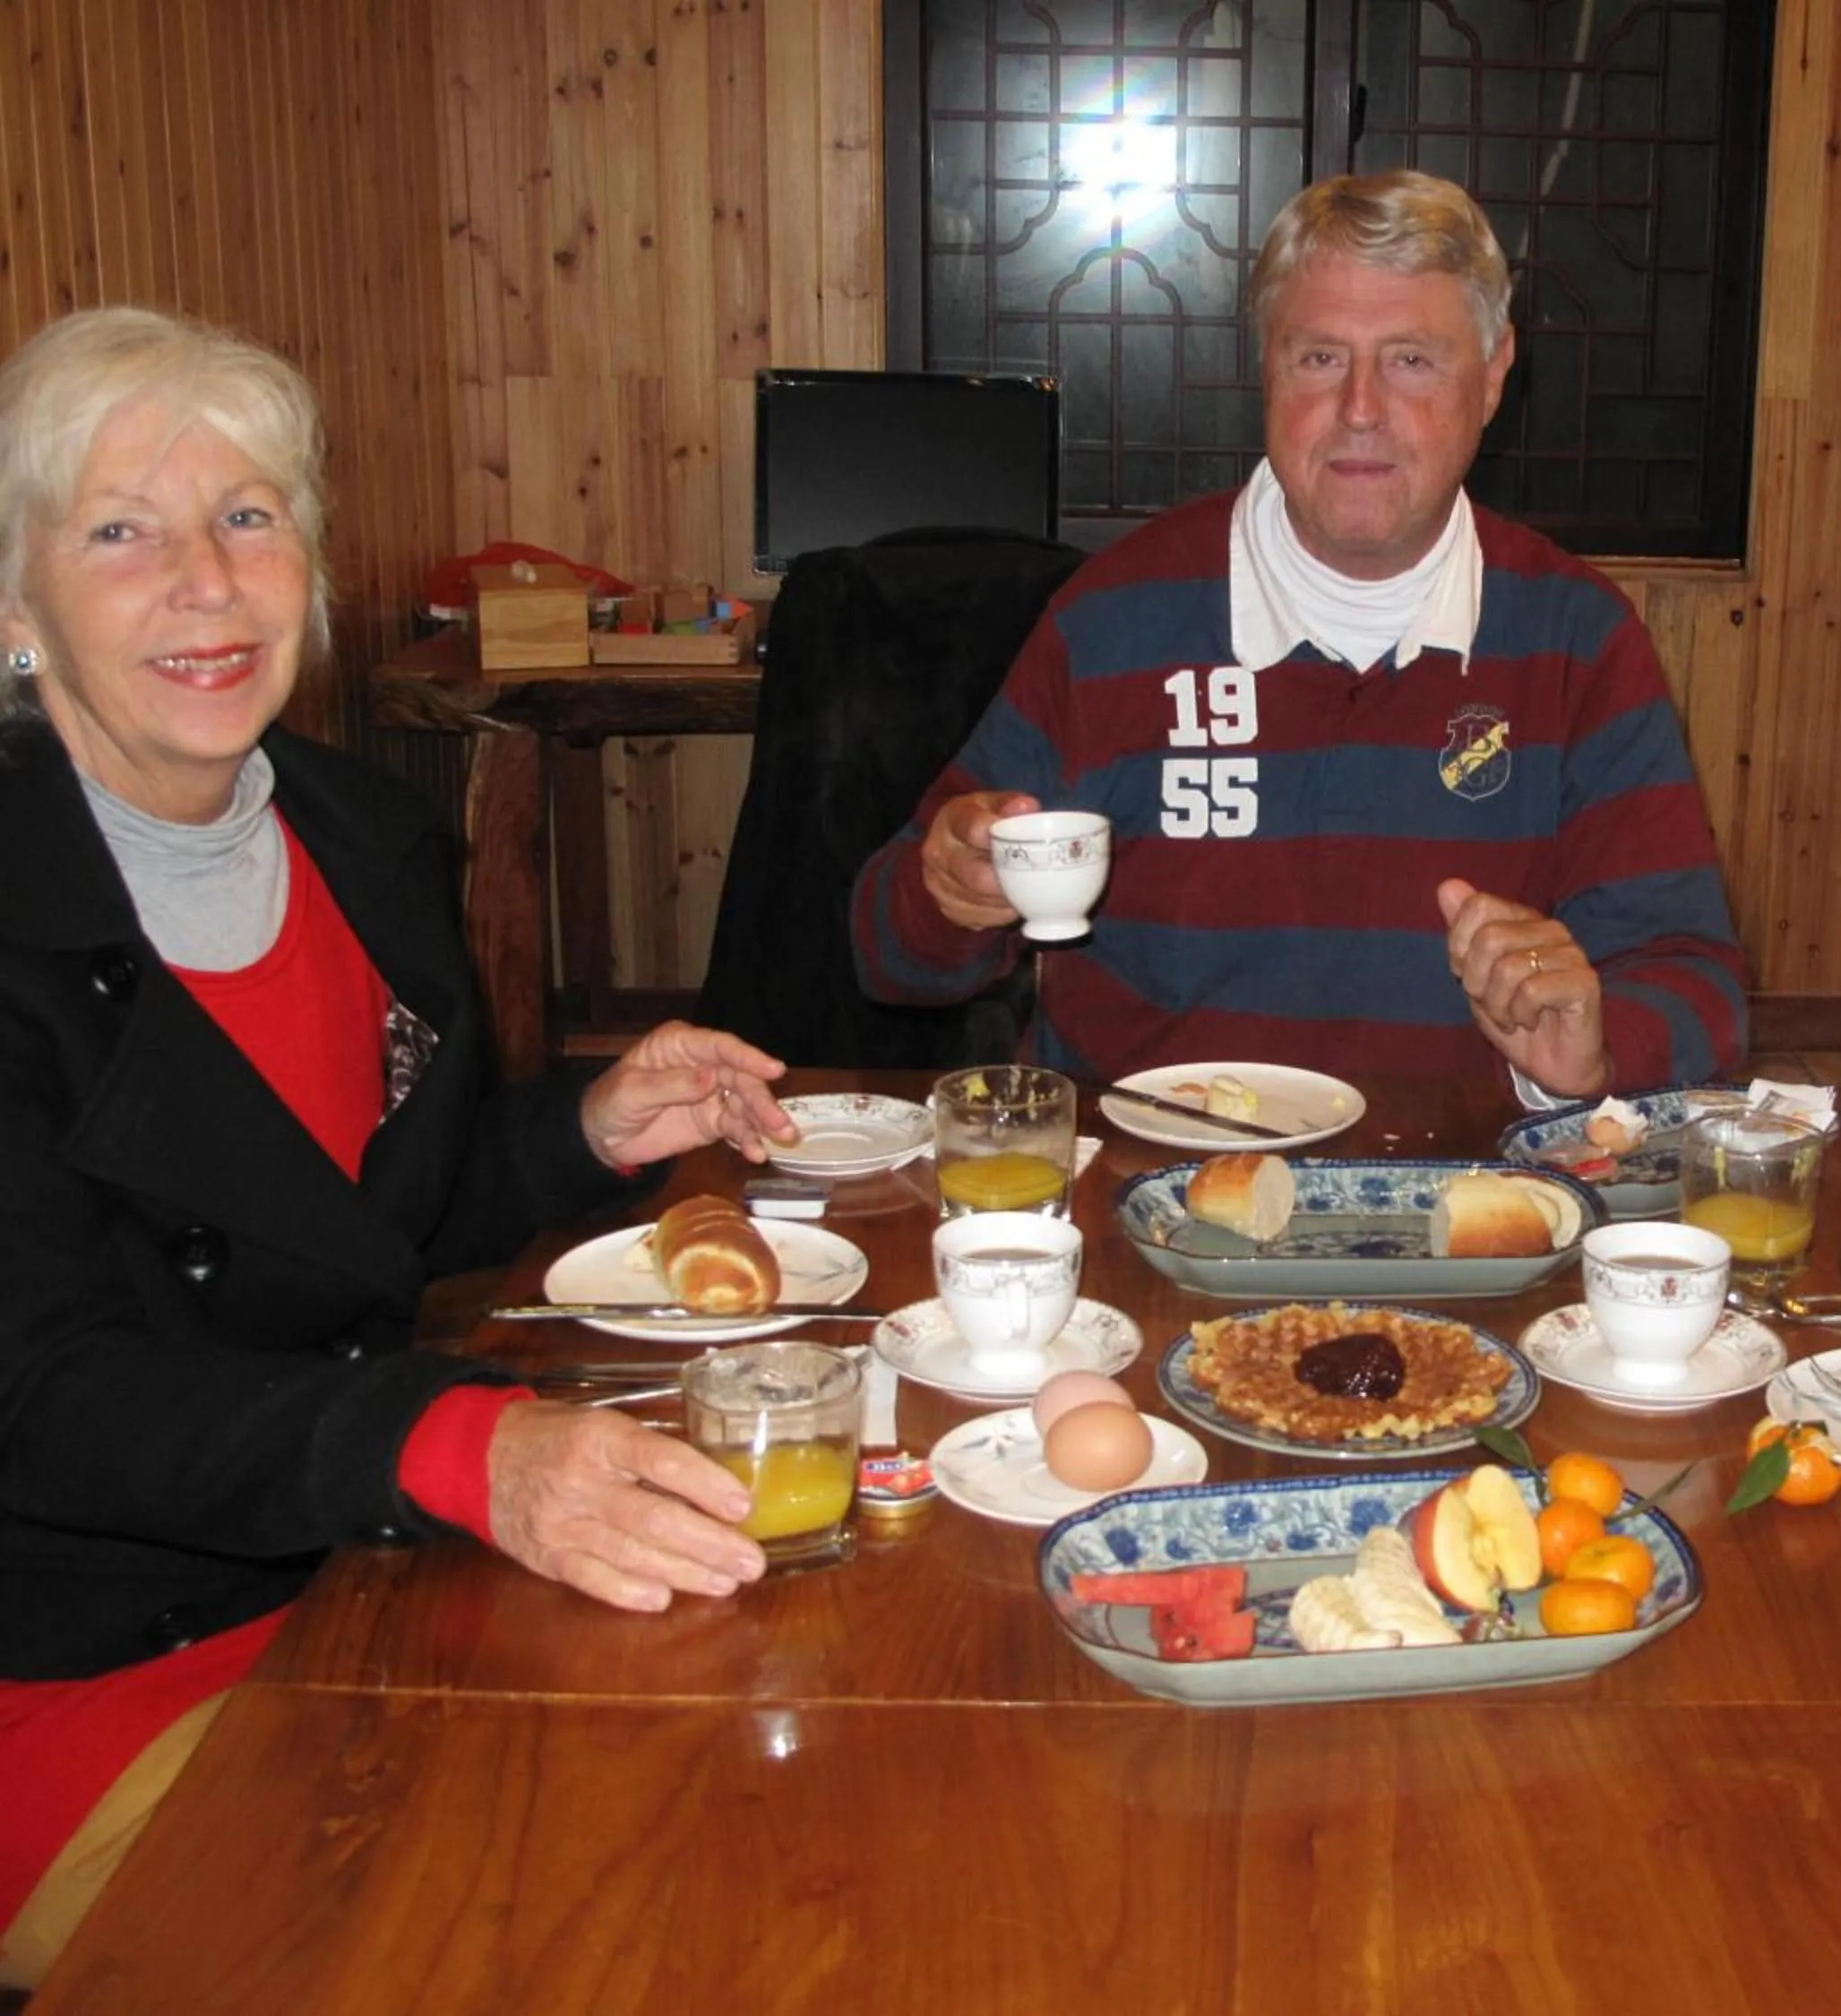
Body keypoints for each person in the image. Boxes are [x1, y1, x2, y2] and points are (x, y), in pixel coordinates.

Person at [0, 306, 799, 1986]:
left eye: (248, 515)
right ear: (17, 604)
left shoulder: (362, 839)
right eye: (122, 532)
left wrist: (586, 1127)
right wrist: (455, 1448)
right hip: (97, 1658)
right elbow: (42, 1393)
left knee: (744, 1825)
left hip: (364, 1565)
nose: (206, 582)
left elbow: (362, 1232)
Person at [850, 169, 1746, 1100]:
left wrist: (1596, 1051)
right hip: (1145, 1173)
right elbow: (887, 953)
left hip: (1463, 1178)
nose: (1360, 408)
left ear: (1492, 376)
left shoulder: (1578, 641)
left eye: (1411, 360)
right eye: (1319, 357)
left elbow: (1700, 986)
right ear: (1267, 369)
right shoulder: (1115, 617)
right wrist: (947, 894)